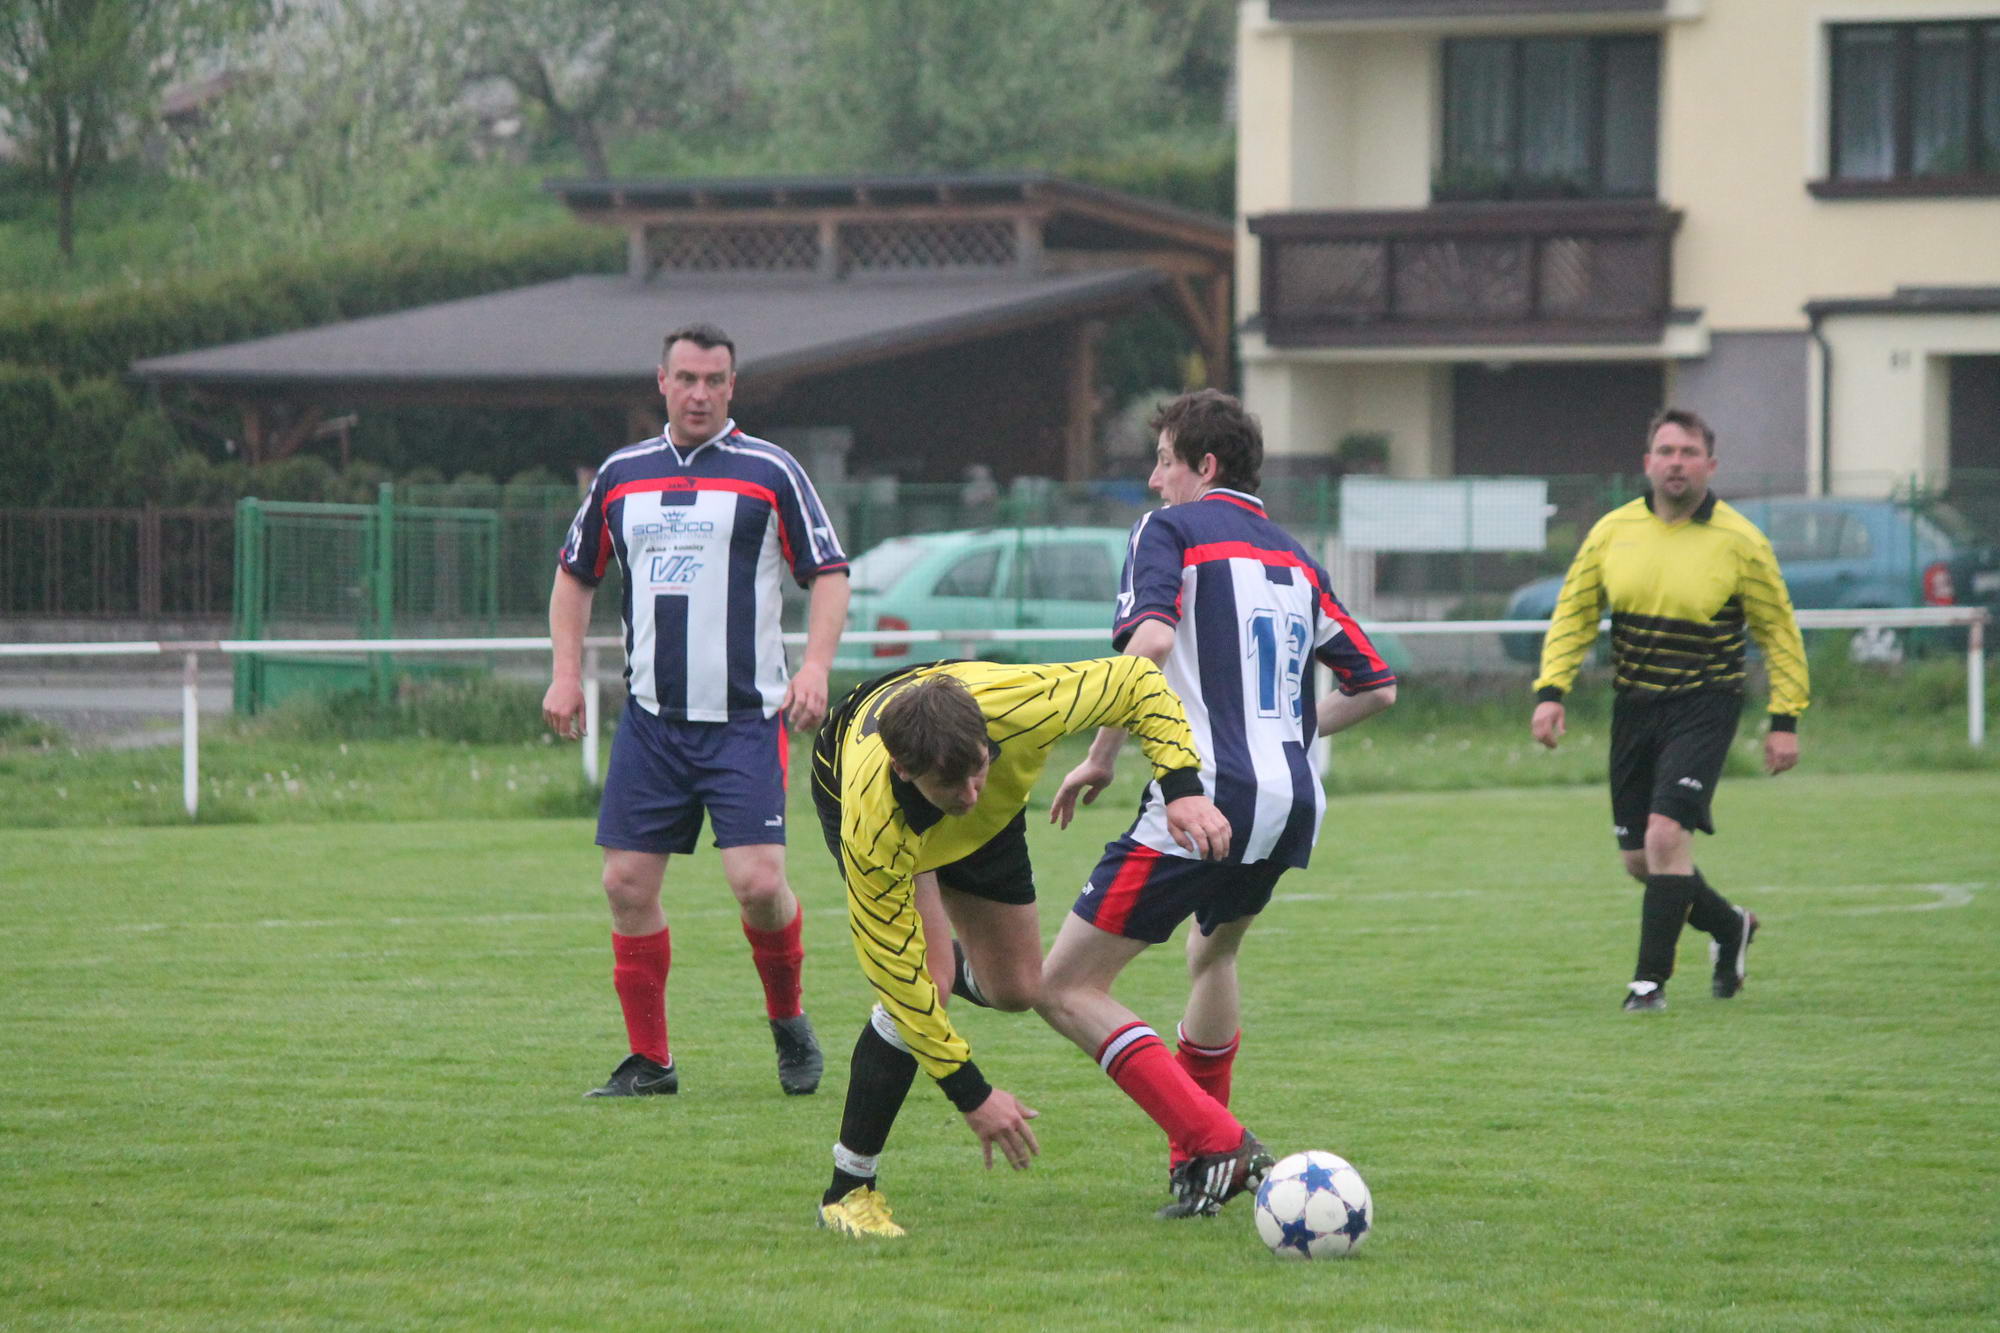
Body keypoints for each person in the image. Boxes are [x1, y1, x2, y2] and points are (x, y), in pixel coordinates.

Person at [1038, 389, 1399, 1220]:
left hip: (1201, 795)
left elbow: (1151, 641)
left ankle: (1217, 1139)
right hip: (1291, 800)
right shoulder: (1297, 557)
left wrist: (1100, 755)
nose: (1154, 479)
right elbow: (1376, 686)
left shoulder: (1169, 530)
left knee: (1063, 986)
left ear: (1204, 466)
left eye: (1164, 460)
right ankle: (1198, 1168)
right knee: (1212, 954)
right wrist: (1287, 737)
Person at [809, 658, 1231, 1238]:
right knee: (922, 984)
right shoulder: (872, 823)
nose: (969, 794)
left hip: (983, 815)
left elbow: (1138, 680)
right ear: (905, 770)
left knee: (1016, 990)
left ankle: (940, 965)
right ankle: (848, 1190)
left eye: (979, 770)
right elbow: (899, 984)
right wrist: (972, 1095)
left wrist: (1181, 790)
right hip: (870, 796)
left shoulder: (1019, 706)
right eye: (951, 785)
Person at [543, 322, 851, 1097]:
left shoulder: (770, 471)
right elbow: (575, 574)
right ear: (662, 382)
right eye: (686, 378)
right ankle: (651, 1061)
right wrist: (566, 673)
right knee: (625, 884)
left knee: (758, 883)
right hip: (652, 722)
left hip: (744, 718)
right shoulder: (621, 475)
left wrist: (815, 667)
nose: (700, 393)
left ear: (732, 386)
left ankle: (788, 1018)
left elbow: (829, 571)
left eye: (715, 380)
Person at [1531, 407, 1808, 1012]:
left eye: (1688, 452)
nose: (1676, 463)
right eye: (1666, 451)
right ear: (1648, 462)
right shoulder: (1613, 531)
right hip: (1634, 707)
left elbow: (1779, 632)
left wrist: (1784, 720)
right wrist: (1552, 691)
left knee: (1665, 836)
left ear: (1711, 464)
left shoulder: (1741, 541)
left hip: (1705, 705)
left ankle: (1647, 984)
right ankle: (1730, 926)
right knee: (1641, 860)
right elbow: (1574, 614)